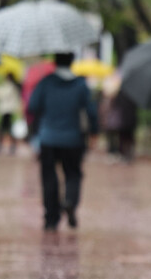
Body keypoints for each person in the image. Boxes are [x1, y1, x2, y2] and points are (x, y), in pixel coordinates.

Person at [27, 52, 98, 230]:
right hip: (73, 138)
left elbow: (32, 106)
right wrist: (94, 133)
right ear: (72, 62)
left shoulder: (46, 82)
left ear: (55, 62)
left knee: (49, 177)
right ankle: (70, 202)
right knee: (73, 174)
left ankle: (51, 218)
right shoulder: (81, 84)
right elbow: (91, 112)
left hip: (48, 137)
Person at [0, 74, 23, 155]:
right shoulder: (12, 86)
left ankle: (1, 146)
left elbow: (1, 95)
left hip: (7, 111)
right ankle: (10, 146)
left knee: (3, 130)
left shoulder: (10, 86)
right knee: (7, 130)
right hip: (8, 111)